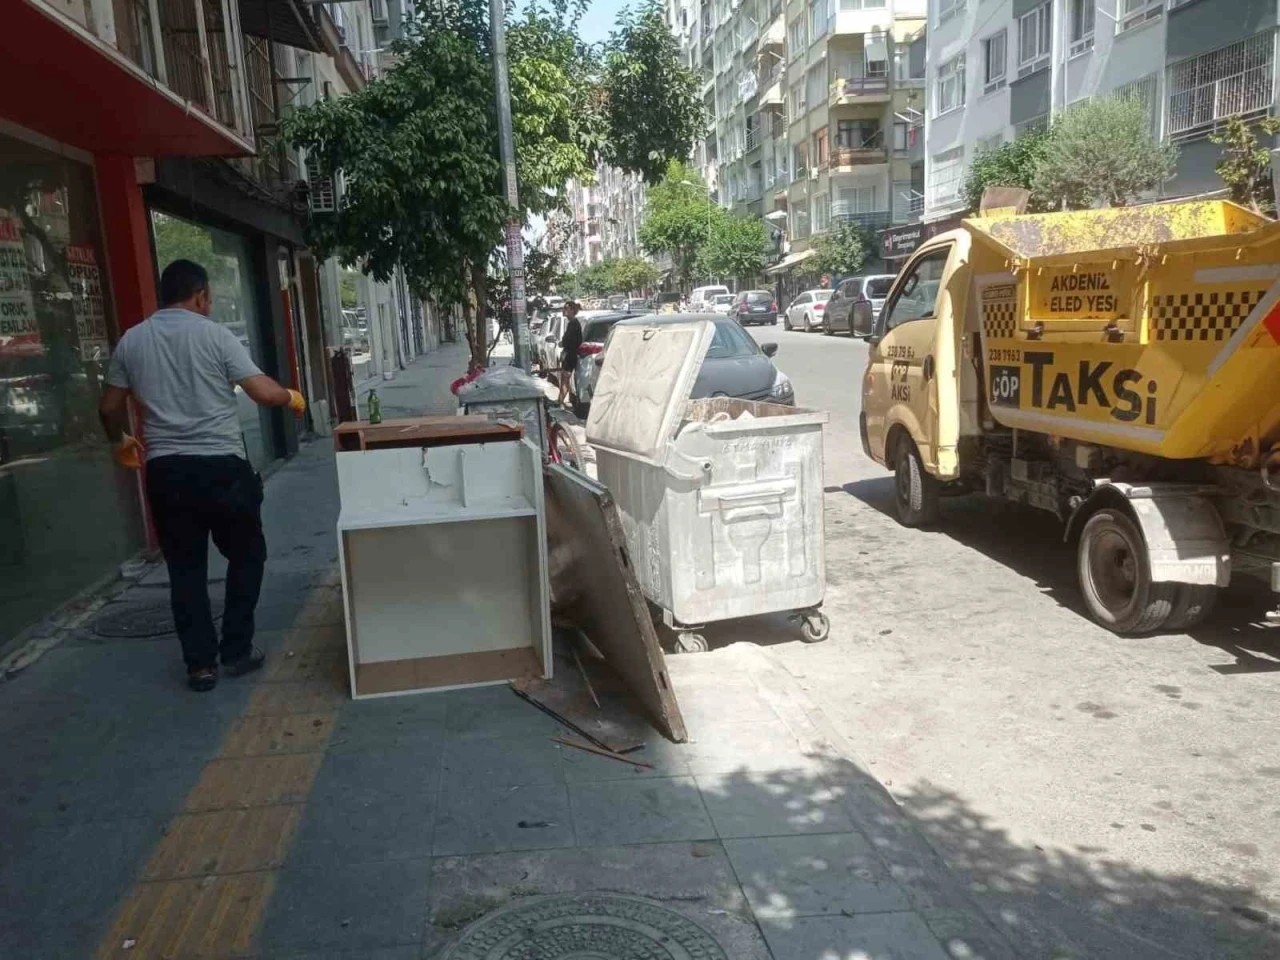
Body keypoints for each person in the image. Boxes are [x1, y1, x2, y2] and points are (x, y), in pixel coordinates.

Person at [99, 259, 305, 692]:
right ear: (199, 296)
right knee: (247, 555)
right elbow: (262, 392)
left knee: (186, 570)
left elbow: (109, 406)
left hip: (167, 472)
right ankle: (236, 649)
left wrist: (119, 440)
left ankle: (200, 666)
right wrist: (291, 396)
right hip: (222, 469)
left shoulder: (132, 340)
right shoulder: (215, 335)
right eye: (208, 298)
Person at [557, 299, 583, 407]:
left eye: (566, 308)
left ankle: (560, 402)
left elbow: (573, 341)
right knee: (564, 379)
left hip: (571, 355)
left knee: (565, 378)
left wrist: (563, 344)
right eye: (564, 308)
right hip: (568, 354)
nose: (564, 310)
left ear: (572, 310)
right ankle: (560, 401)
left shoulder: (574, 324)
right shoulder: (571, 324)